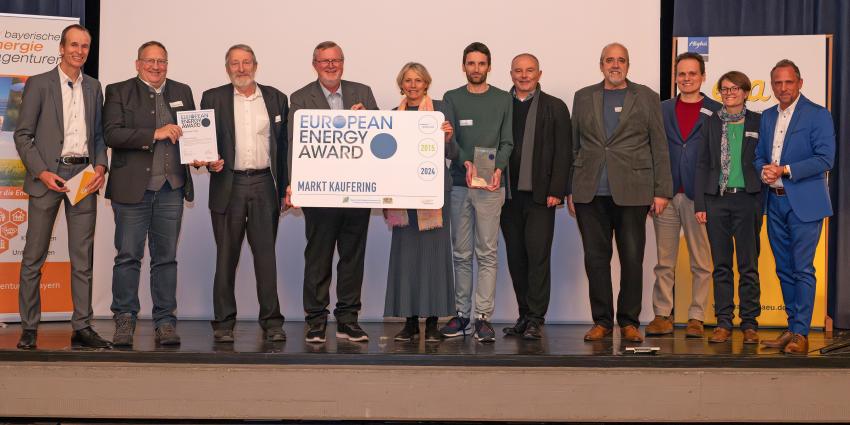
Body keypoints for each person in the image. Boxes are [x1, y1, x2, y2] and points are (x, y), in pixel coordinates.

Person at [13, 24, 110, 350]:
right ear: (62, 47)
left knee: (82, 259)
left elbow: (98, 136)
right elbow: (22, 136)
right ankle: (29, 327)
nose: (79, 51)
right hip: (48, 178)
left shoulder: (95, 87)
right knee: (33, 257)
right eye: (74, 45)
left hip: (82, 178)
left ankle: (82, 325)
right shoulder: (39, 84)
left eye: (84, 46)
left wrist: (100, 165)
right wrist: (41, 173)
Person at [567, 42, 672, 343]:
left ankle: (628, 321)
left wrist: (661, 190)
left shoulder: (647, 97)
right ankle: (601, 321)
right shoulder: (583, 97)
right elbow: (574, 146)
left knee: (631, 258)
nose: (615, 65)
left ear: (628, 65)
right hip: (590, 193)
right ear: (601, 65)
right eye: (609, 60)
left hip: (634, 192)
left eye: (621, 60)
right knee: (595, 260)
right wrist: (571, 188)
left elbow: (659, 146)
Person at [103, 41, 196, 346]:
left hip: (172, 188)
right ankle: (125, 320)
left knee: (166, 259)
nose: (156, 67)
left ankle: (166, 322)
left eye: (162, 62)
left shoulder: (182, 91)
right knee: (128, 257)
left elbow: (194, 137)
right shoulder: (119, 91)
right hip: (132, 190)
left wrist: (202, 154)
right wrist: (153, 134)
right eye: (150, 61)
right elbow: (112, 134)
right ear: (137, 63)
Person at [286, 41, 379, 343]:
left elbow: (382, 137)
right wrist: (293, 184)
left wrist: (368, 119)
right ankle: (315, 320)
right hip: (319, 194)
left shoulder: (362, 92)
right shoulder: (300, 97)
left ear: (343, 62)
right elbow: (294, 144)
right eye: (323, 61)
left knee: (352, 258)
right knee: (319, 257)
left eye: (335, 60)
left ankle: (348, 320)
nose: (330, 65)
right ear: (314, 64)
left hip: (358, 192)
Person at [199, 44, 288, 343]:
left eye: (246, 62)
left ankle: (272, 321)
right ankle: (223, 323)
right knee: (226, 257)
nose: (241, 68)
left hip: (265, 184)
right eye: (235, 63)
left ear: (255, 65)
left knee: (266, 257)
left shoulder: (276, 98)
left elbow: (284, 148)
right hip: (229, 185)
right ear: (227, 68)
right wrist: (207, 161)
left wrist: (288, 186)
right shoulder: (212, 98)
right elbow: (203, 144)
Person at [755, 59, 835, 355]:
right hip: (774, 203)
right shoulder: (766, 117)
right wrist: (763, 170)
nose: (783, 88)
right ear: (772, 85)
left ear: (800, 83)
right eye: (778, 82)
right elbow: (759, 156)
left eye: (789, 82)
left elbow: (826, 159)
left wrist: (785, 169)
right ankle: (791, 328)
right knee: (784, 268)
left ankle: (801, 332)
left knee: (802, 268)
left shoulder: (818, 115)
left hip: (805, 203)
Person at [439, 42, 513, 343]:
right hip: (459, 184)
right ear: (463, 66)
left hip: (492, 187)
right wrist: (464, 161)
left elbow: (507, 142)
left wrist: (498, 169)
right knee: (460, 253)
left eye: (482, 63)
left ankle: (483, 317)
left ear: (489, 66)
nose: (476, 69)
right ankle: (461, 314)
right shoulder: (451, 98)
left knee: (488, 253)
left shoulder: (502, 99)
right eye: (471, 63)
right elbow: (449, 141)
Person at [646, 52, 720, 338]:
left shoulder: (716, 110)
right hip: (665, 195)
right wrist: (656, 190)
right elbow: (651, 149)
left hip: (698, 196)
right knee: (664, 261)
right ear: (675, 77)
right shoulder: (661, 108)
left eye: (692, 74)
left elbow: (718, 157)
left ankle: (697, 317)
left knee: (701, 261)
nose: (686, 79)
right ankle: (662, 315)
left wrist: (708, 195)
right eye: (681, 74)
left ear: (702, 77)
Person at [383, 62, 458, 342]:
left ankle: (435, 322)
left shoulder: (440, 110)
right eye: (407, 80)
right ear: (401, 84)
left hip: (434, 196)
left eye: (418, 80)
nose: (413, 85)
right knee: (406, 258)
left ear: (427, 84)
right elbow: (384, 158)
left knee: (435, 258)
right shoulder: (392, 116)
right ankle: (410, 322)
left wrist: (448, 137)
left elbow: (454, 151)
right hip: (404, 197)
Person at [499, 53, 571, 340]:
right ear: (511, 74)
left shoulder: (555, 106)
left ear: (539, 74)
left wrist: (556, 190)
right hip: (506, 196)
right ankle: (523, 314)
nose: (524, 75)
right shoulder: (500, 105)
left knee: (537, 257)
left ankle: (536, 318)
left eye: (530, 71)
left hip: (541, 197)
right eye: (518, 71)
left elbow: (564, 151)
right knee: (516, 258)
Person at [694, 71, 763, 344]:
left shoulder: (759, 121)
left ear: (746, 92)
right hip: (716, 200)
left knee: (748, 265)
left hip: (747, 200)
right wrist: (701, 202)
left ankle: (749, 323)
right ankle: (723, 322)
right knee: (721, 266)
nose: (729, 93)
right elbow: (702, 163)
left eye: (735, 88)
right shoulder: (710, 122)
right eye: (724, 89)